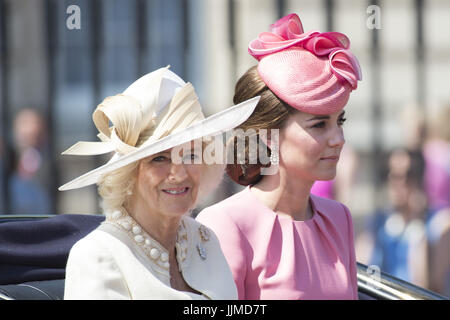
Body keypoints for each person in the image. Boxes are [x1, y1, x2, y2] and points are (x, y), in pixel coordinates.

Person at [196, 13, 362, 299]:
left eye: (340, 122)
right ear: (268, 134)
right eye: (320, 125)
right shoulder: (225, 223)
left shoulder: (339, 218)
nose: (339, 139)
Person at [61, 66, 260, 299]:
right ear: (130, 173)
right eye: (160, 158)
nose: (179, 173)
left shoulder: (206, 240)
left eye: (190, 155)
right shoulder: (97, 254)